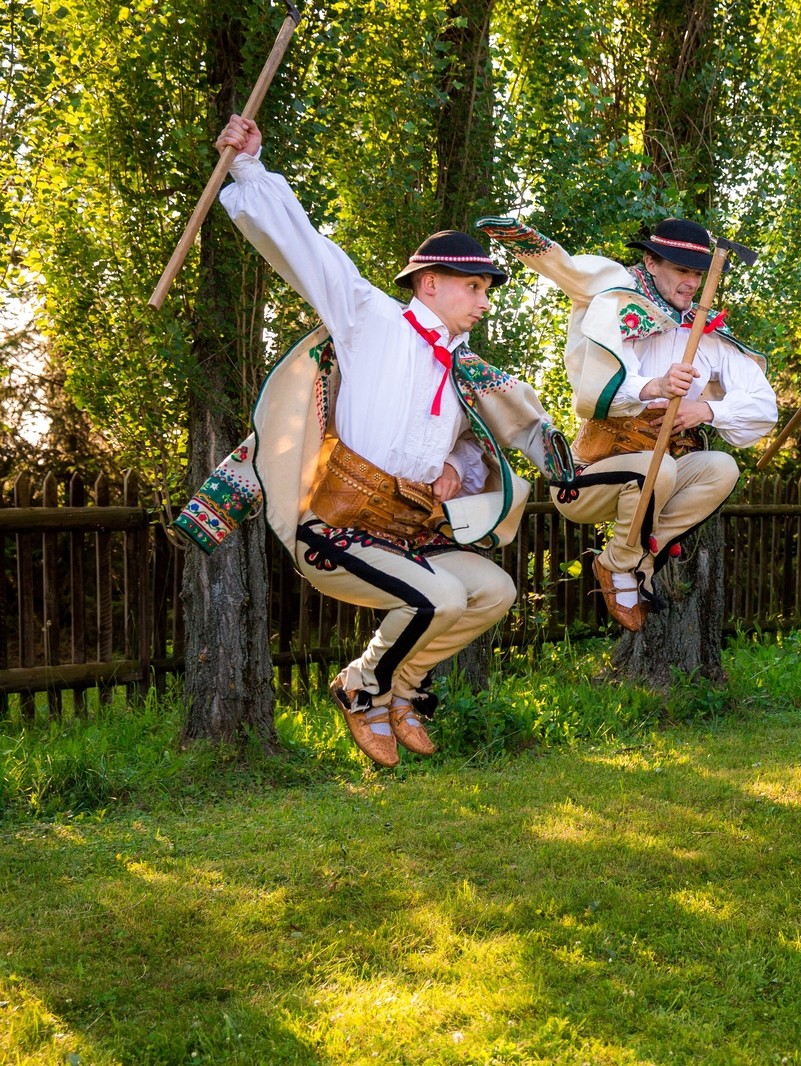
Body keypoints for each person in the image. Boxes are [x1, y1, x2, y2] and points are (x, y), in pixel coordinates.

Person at [175, 115, 572, 769]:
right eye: (474, 287)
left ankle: (400, 691)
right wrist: (248, 166)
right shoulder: (369, 317)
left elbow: (474, 446)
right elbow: (305, 249)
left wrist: (455, 461)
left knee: (493, 591)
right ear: (429, 283)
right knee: (440, 598)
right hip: (337, 527)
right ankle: (362, 687)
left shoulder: (465, 371)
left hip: (408, 532)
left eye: (486, 290)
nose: (484, 302)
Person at [477, 216, 777, 631]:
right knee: (659, 467)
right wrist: (655, 386)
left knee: (721, 468)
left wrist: (706, 412)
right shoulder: (617, 304)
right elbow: (595, 387)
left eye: (698, 273)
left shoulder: (707, 334)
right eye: (682, 270)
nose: (691, 283)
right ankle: (618, 564)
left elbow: (764, 407)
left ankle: (638, 558)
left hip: (658, 482)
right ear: (651, 263)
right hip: (588, 480)